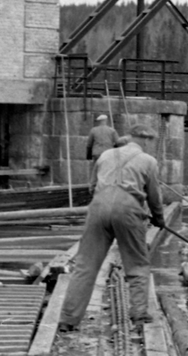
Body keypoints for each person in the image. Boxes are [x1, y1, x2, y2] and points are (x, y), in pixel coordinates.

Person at [59, 125, 165, 331]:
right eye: (150, 142)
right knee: (137, 264)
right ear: (145, 140)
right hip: (128, 208)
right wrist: (159, 219)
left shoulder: (105, 156)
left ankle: (68, 319)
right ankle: (139, 315)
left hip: (98, 206)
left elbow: (91, 187)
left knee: (85, 266)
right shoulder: (148, 161)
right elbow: (155, 196)